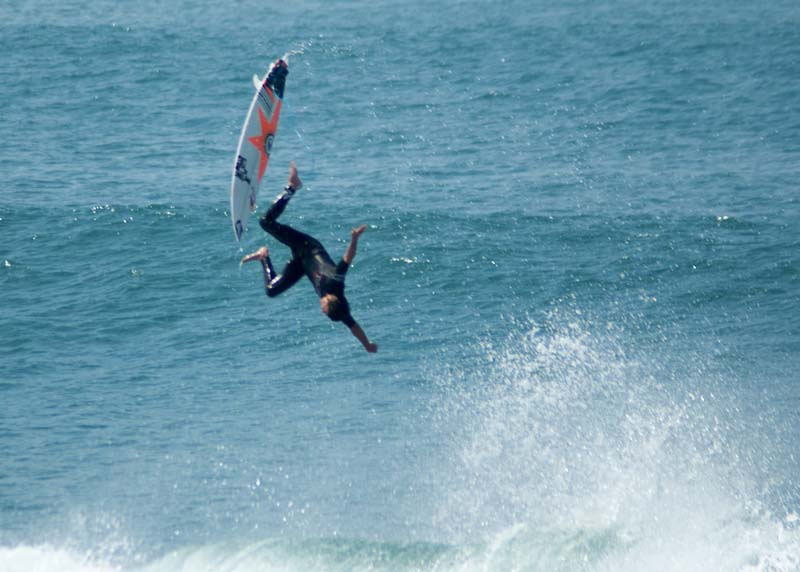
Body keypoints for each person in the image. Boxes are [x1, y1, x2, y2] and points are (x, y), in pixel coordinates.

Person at [242, 162, 378, 353]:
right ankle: (292, 186)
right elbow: (348, 258)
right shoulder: (335, 282)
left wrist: (367, 345)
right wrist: (354, 238)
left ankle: (263, 256)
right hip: (306, 247)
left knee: (272, 290)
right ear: (329, 299)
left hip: (302, 265)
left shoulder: (340, 311)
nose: (321, 309)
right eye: (324, 308)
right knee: (266, 222)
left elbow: (354, 327)